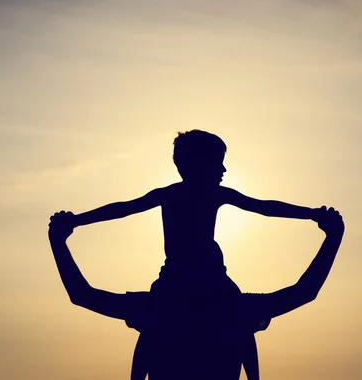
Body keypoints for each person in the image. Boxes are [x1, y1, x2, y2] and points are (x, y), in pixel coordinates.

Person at [52, 129, 325, 378]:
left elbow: (265, 207)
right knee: (239, 323)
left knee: (230, 322)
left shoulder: (188, 197)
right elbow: (122, 208)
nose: (224, 169)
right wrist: (76, 222)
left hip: (184, 290)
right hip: (189, 288)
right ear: (196, 164)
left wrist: (70, 228)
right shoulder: (229, 309)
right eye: (218, 162)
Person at [48, 206, 345, 380]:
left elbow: (82, 295)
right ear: (220, 269)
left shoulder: (158, 310)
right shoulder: (235, 311)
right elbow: (305, 291)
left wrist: (59, 241)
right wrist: (333, 238)